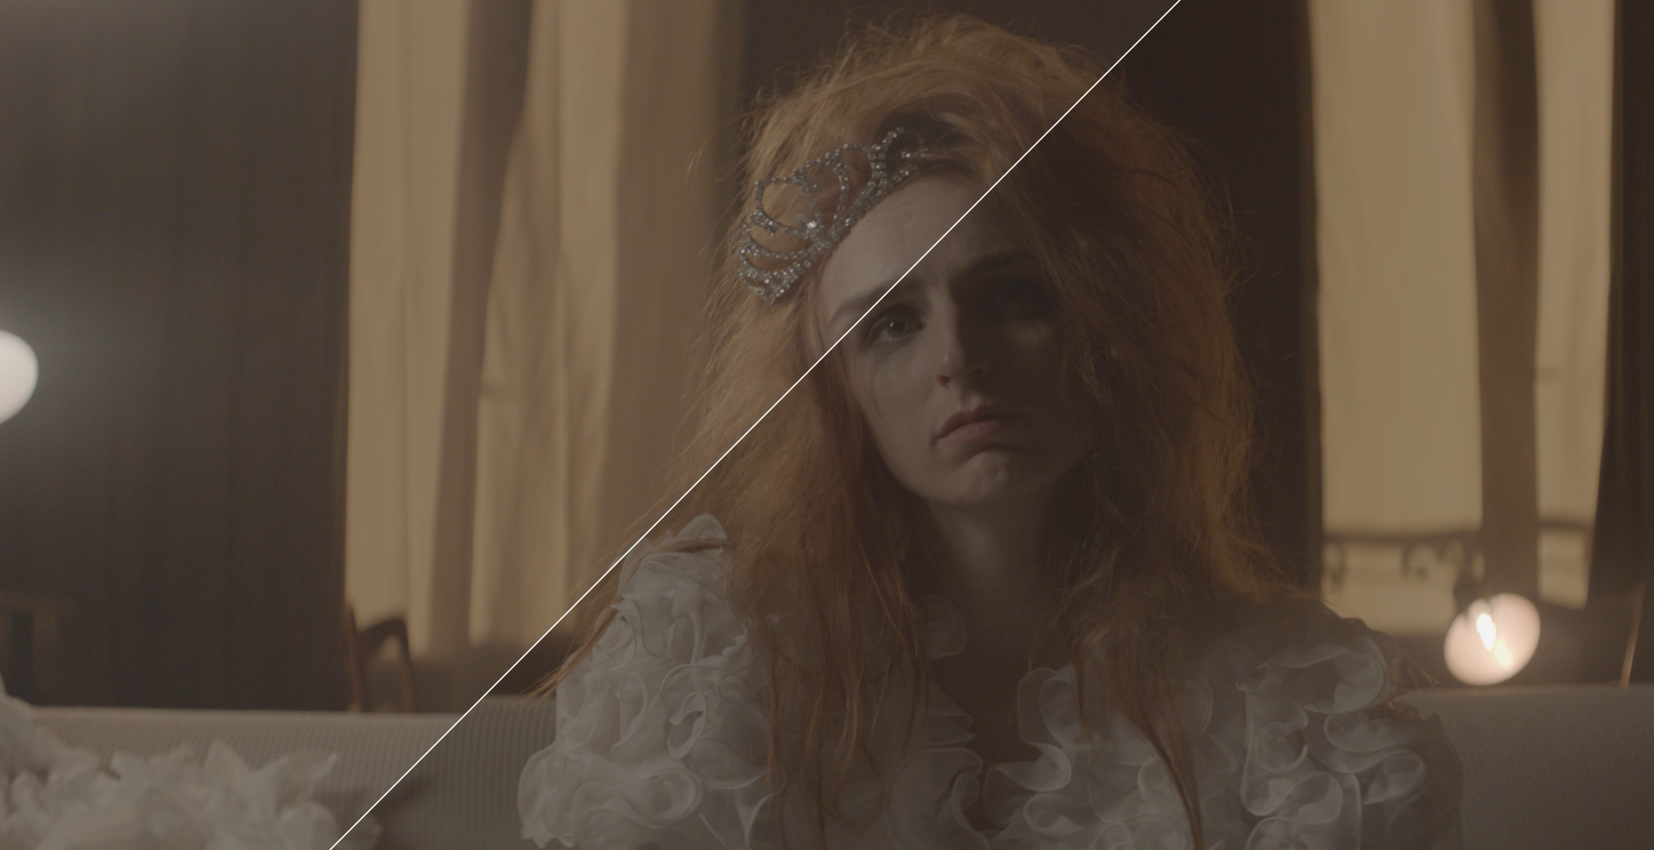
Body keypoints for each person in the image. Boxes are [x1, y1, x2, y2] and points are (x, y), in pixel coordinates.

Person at [517, 13, 1462, 850]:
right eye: (892, 324)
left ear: (1103, 321)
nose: (959, 359)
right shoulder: (711, 660)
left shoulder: (1290, 704)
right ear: (828, 387)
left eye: (1013, 297)